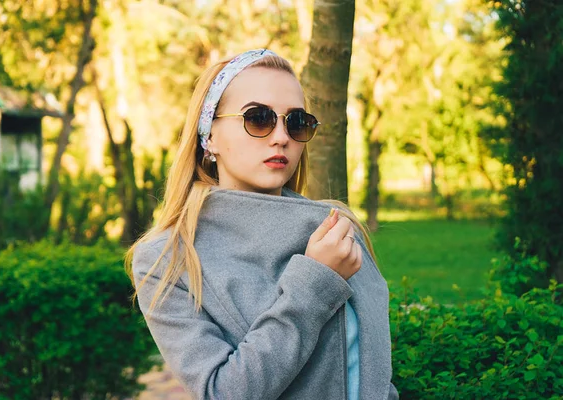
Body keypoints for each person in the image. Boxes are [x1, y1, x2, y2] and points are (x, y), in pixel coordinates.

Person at [126, 49, 398, 400]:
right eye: (258, 118)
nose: (281, 136)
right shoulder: (168, 258)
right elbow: (222, 393)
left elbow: (372, 371)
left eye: (296, 121)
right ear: (209, 135)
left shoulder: (337, 229)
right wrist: (314, 283)